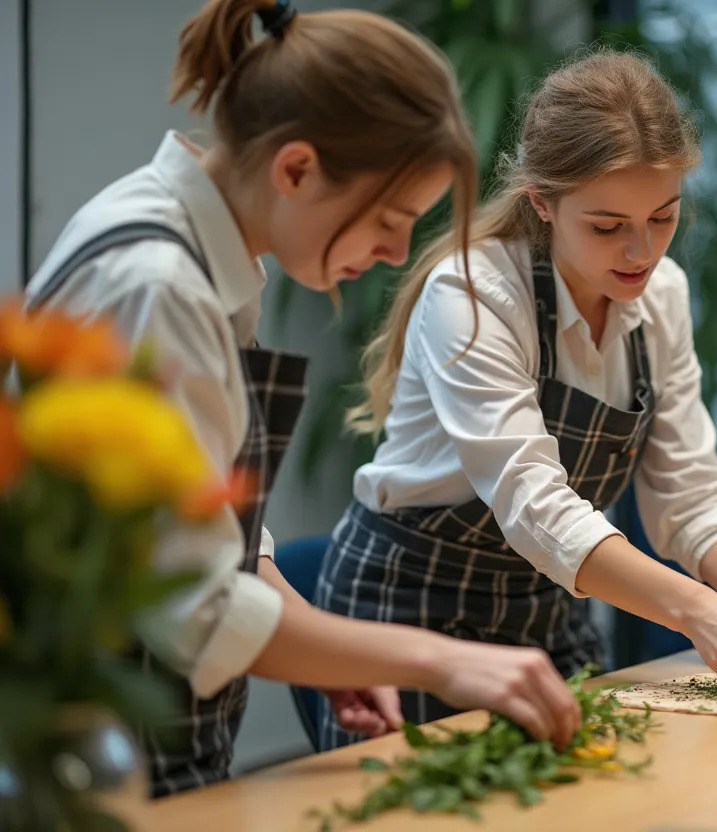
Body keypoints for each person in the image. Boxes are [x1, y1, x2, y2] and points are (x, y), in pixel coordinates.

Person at [24, 0, 579, 798]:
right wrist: (444, 658)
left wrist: (329, 653)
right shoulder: (158, 284)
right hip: (94, 745)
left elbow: (206, 524)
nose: (394, 253)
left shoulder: (198, 256)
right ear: (296, 169)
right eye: (388, 220)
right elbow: (199, 606)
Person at [315, 50, 717, 751]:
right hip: (410, 609)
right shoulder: (475, 294)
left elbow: (689, 491)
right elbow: (532, 502)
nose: (641, 252)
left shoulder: (660, 298)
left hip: (551, 606)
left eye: (663, 218)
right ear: (542, 202)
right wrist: (699, 610)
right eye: (607, 226)